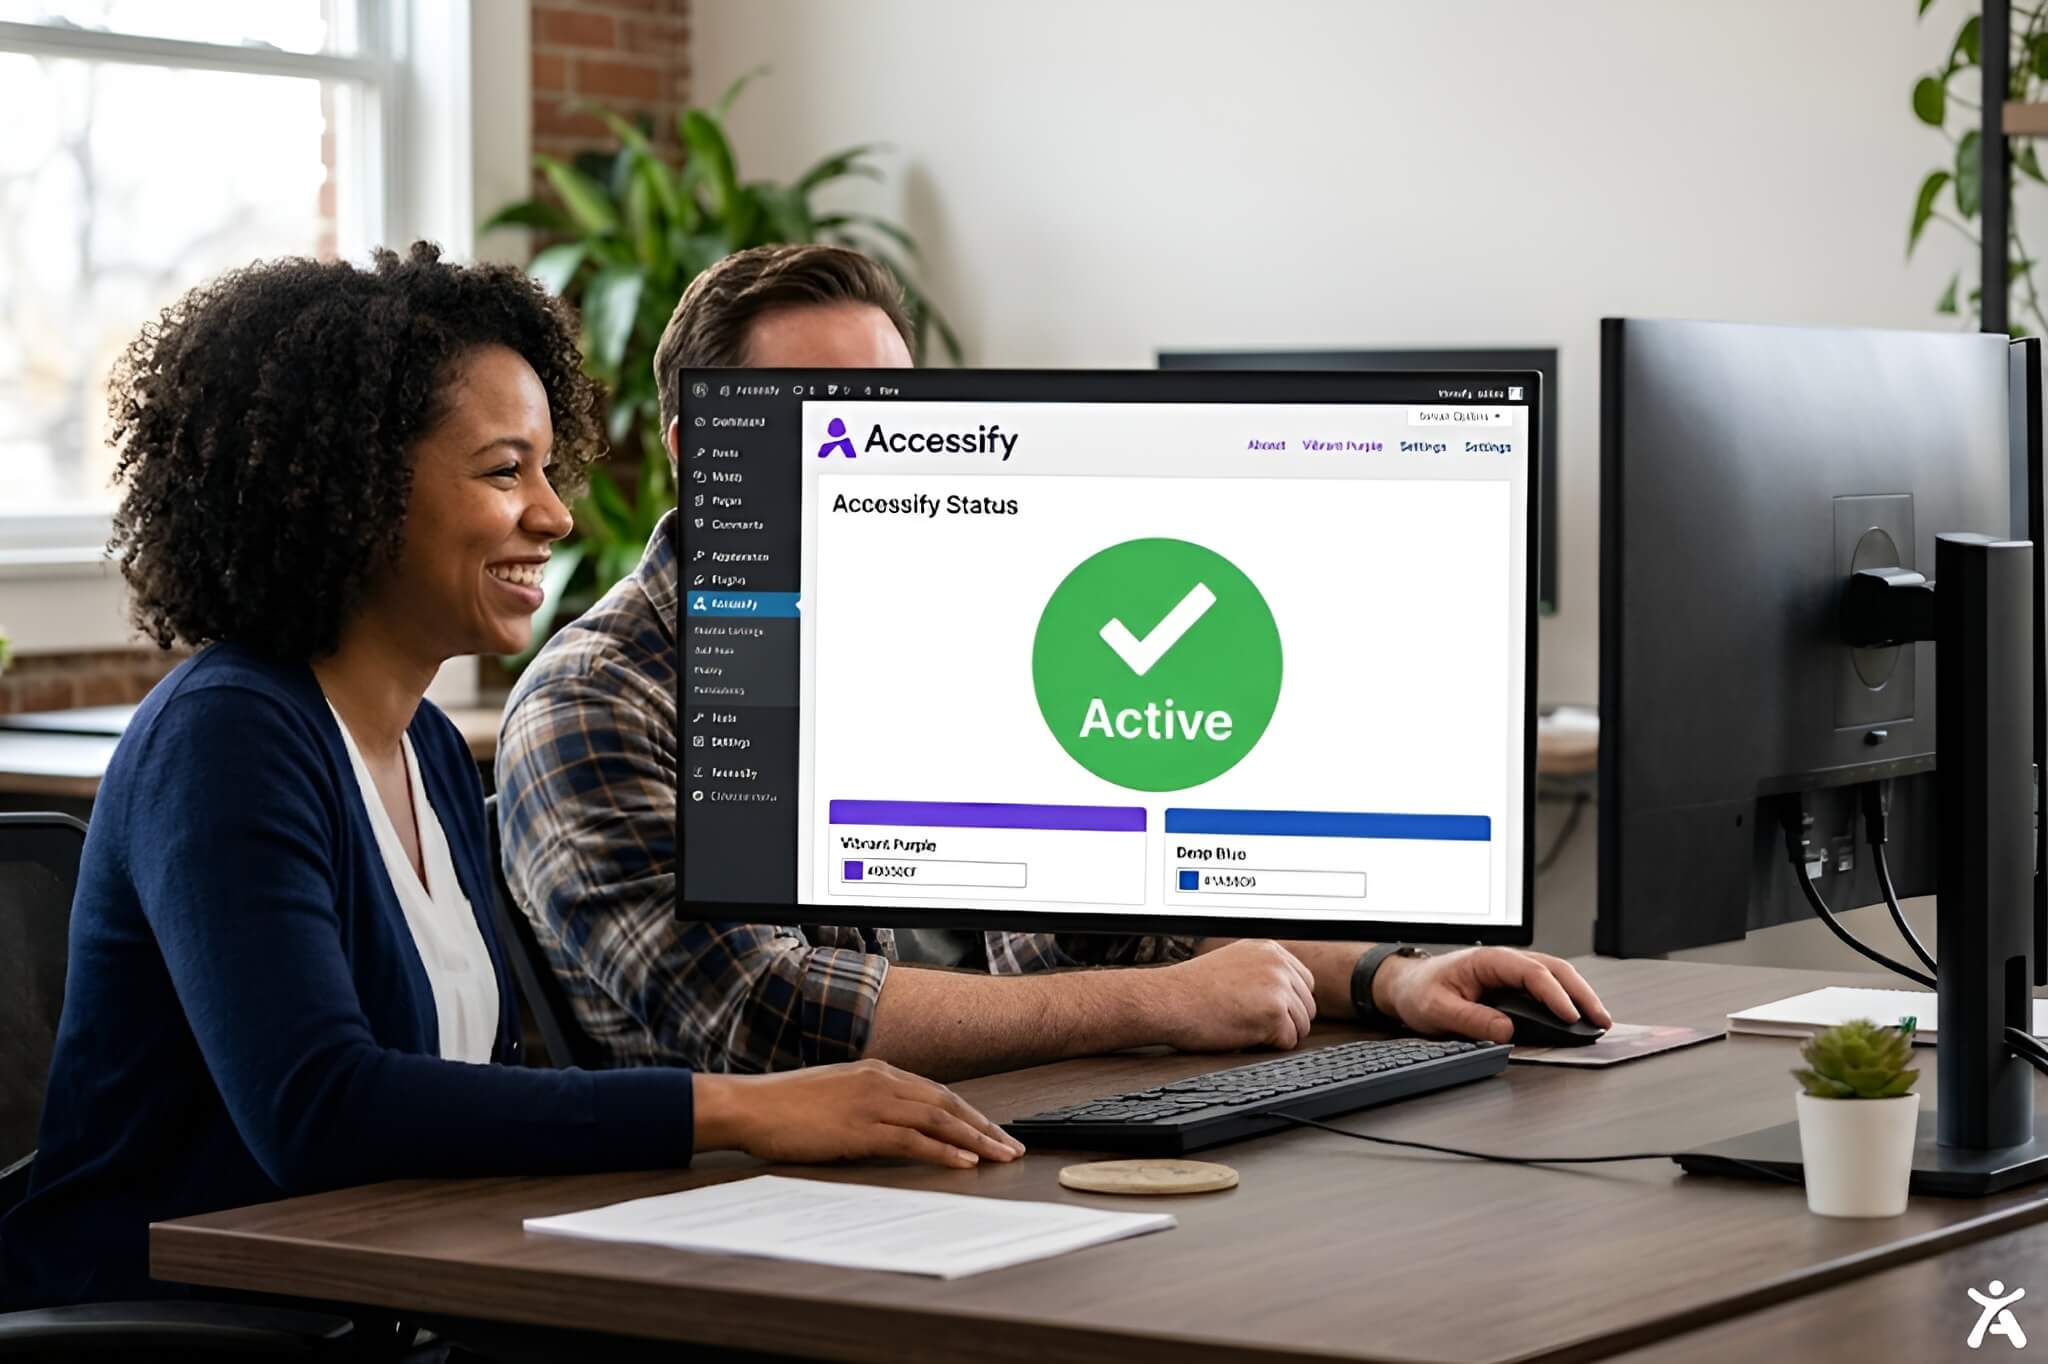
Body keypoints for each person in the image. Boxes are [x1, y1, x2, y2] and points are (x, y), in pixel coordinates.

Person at [0, 244, 1018, 1311]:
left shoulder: (428, 747)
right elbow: (320, 1108)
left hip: (397, 1293)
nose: (555, 514)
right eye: (502, 470)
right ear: (353, 490)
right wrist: (743, 1108)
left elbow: (479, 1093)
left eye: (545, 466)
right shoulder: (224, 737)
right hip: (180, 1325)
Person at [496, 242, 1610, 1082]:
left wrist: (1386, 976)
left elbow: (1126, 924)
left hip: (994, 1155)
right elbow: (764, 1014)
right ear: (708, 445)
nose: (868, 446)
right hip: (742, 1229)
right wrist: (1151, 1004)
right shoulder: (597, 693)